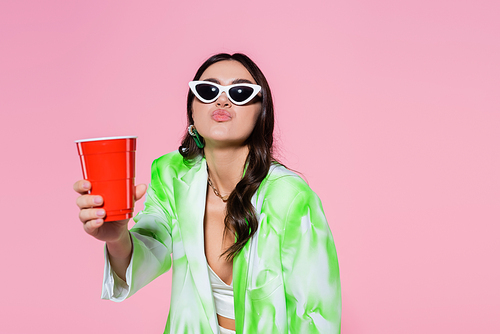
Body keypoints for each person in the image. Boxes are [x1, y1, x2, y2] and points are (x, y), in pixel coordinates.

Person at [74, 53, 341, 334]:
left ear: (262, 112)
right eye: (208, 90)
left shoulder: (290, 197)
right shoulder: (171, 175)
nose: (222, 101)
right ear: (192, 109)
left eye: (239, 92)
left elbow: (315, 316)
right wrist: (117, 236)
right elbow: (147, 255)